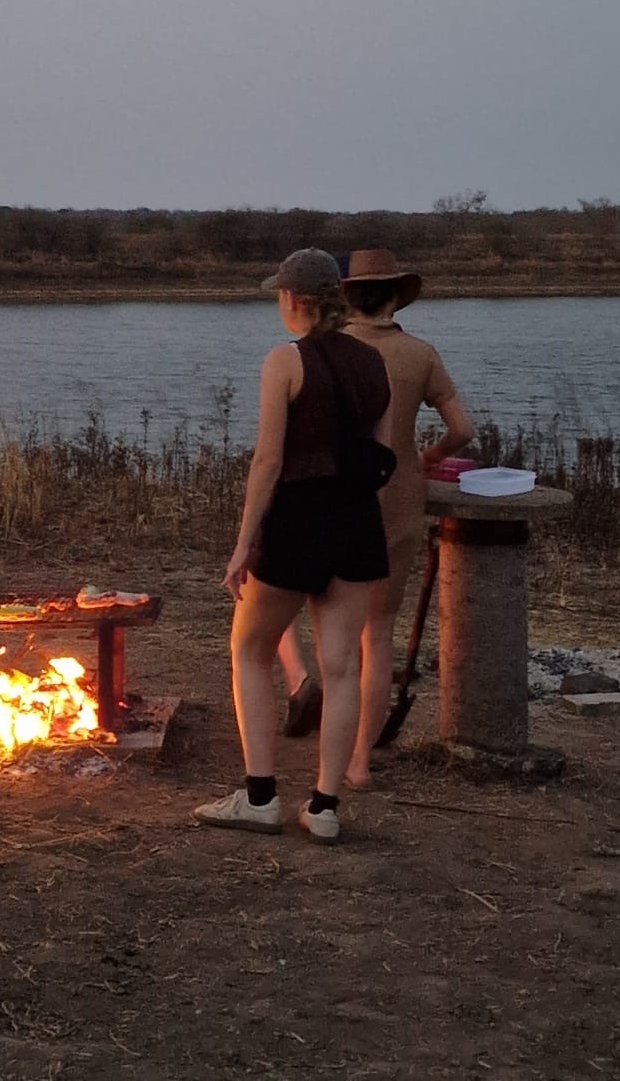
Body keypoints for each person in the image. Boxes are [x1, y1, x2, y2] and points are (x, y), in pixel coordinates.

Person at [194, 249, 392, 843]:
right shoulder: (373, 362)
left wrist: (243, 542)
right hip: (358, 521)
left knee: (250, 649)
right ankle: (325, 808)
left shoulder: (284, 361)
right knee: (341, 667)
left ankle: (261, 798)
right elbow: (382, 456)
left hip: (298, 522)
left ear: (293, 301)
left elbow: (269, 461)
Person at [274, 248, 476, 782]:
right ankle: (359, 761)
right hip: (399, 497)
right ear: (393, 297)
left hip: (327, 500)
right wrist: (428, 458)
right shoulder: (421, 354)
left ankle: (301, 687)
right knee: (378, 632)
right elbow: (463, 428)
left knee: (285, 611)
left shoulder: (323, 351)